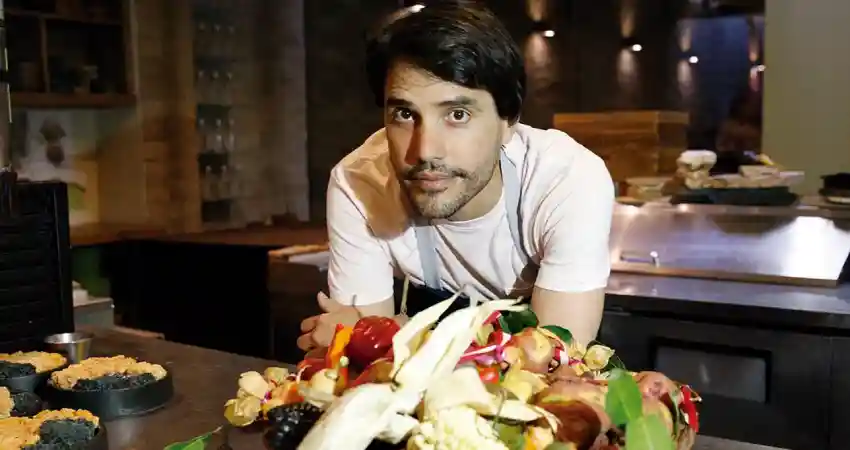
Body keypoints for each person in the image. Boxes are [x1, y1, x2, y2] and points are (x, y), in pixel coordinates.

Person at [298, 0, 614, 352]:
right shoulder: (359, 183)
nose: (425, 150)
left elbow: (553, 360)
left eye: (458, 114)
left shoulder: (565, 179)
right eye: (404, 113)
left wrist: (388, 337)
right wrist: (363, 340)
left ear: (508, 121)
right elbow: (365, 364)